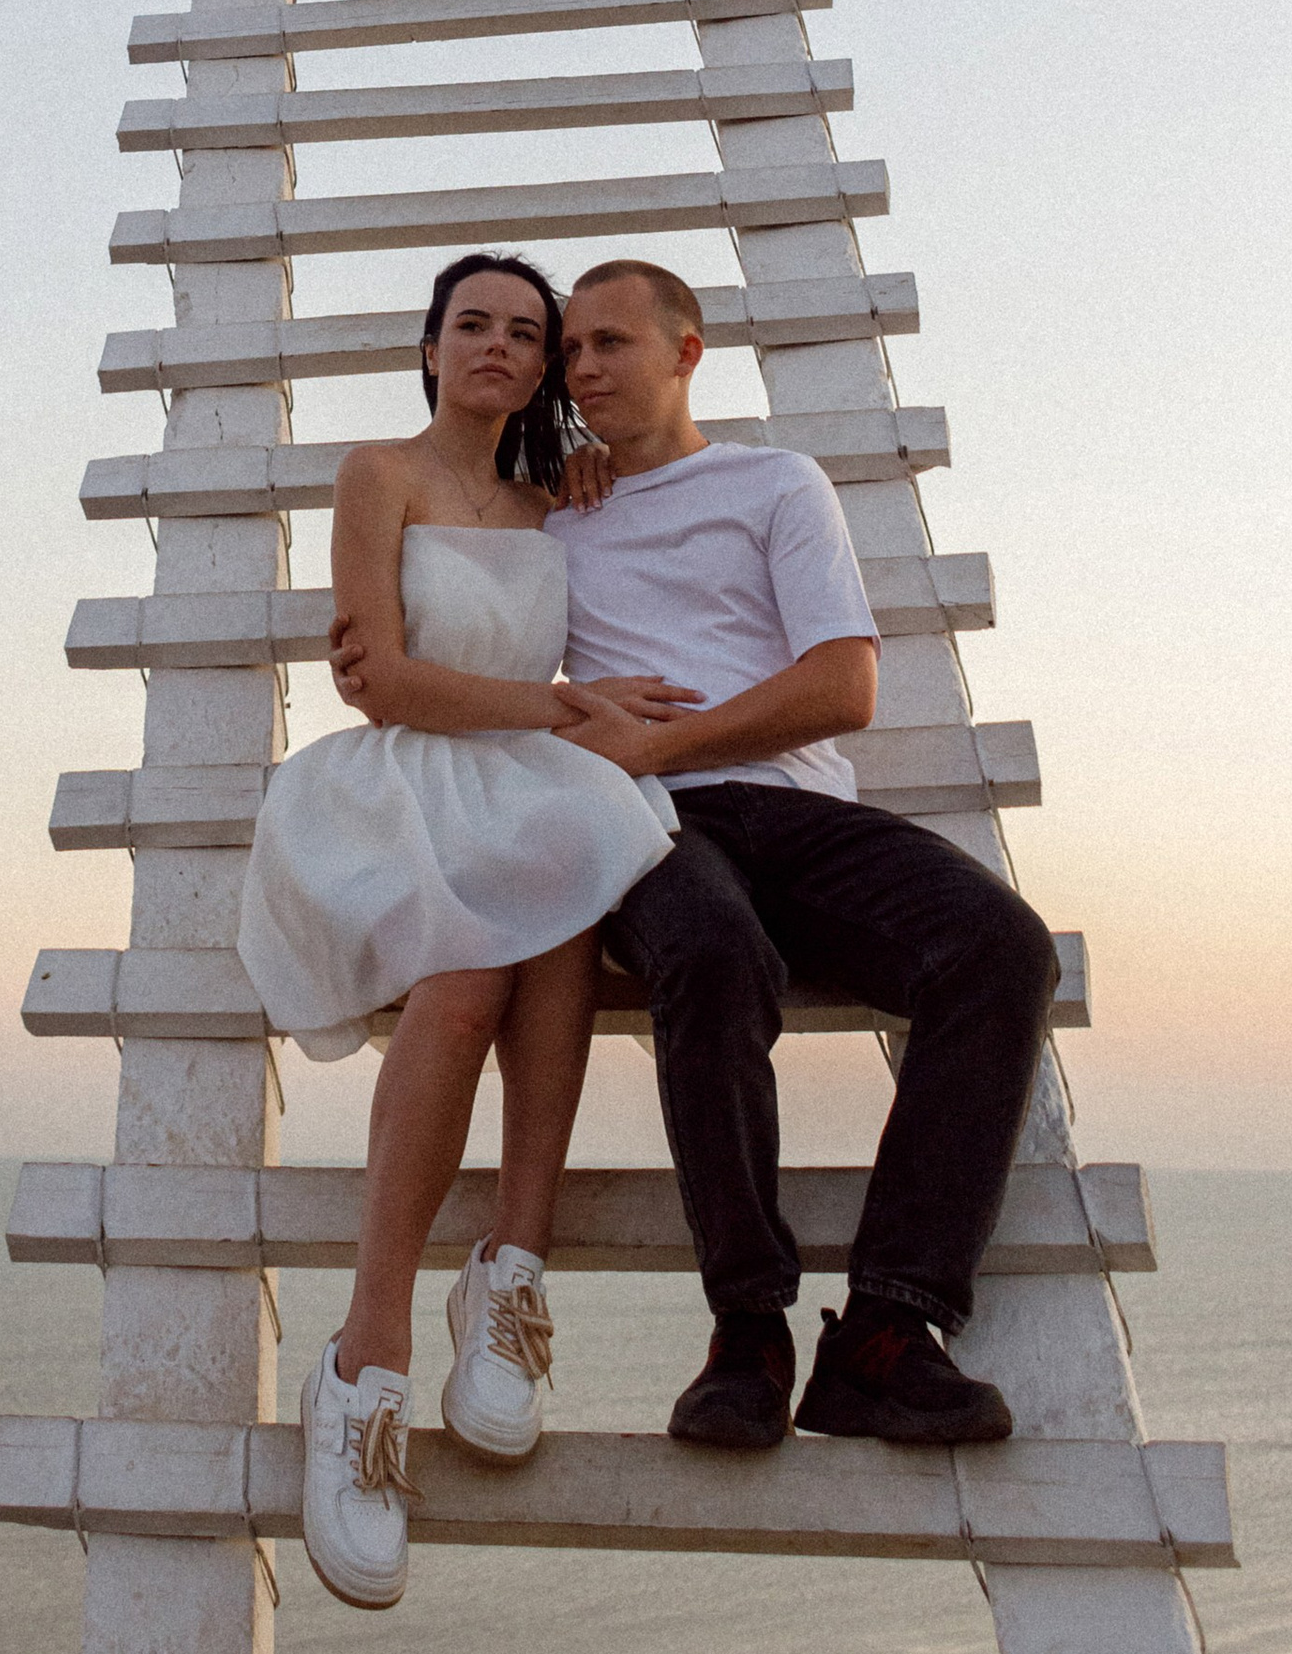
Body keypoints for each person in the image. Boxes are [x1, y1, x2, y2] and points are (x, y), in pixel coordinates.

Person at [332, 255, 1061, 1456]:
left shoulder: (777, 485)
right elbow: (436, 603)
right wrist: (413, 671)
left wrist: (669, 732)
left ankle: (885, 1331)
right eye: (569, 351)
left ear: (685, 352)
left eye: (606, 343)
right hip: (643, 820)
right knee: (714, 951)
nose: (580, 368)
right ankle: (746, 1327)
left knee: (1000, 947)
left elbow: (844, 685)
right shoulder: (552, 504)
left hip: (791, 809)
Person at [235, 252, 686, 1612]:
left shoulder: (561, 501)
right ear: (429, 349)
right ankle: (363, 1357)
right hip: (410, 781)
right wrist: (557, 707)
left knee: (573, 915)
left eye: (526, 334)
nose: (497, 345)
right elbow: (381, 678)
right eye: (471, 325)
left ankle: (510, 1274)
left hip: (519, 775)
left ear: (548, 366)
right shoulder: (381, 473)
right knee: (467, 986)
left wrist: (554, 704)